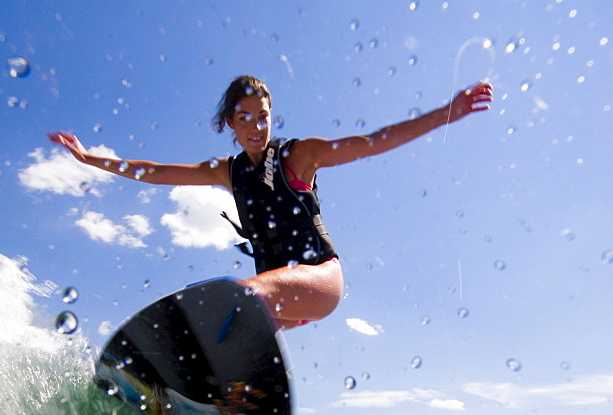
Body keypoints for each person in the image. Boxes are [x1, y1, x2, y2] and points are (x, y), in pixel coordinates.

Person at [48, 75, 492, 330]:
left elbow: (371, 142)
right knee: (224, 332)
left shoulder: (300, 155)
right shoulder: (228, 171)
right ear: (230, 124)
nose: (257, 127)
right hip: (277, 296)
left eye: (263, 117)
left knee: (237, 298)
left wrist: (446, 112)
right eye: (246, 119)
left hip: (319, 279)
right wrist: (92, 160)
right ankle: (227, 414)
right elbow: (157, 172)